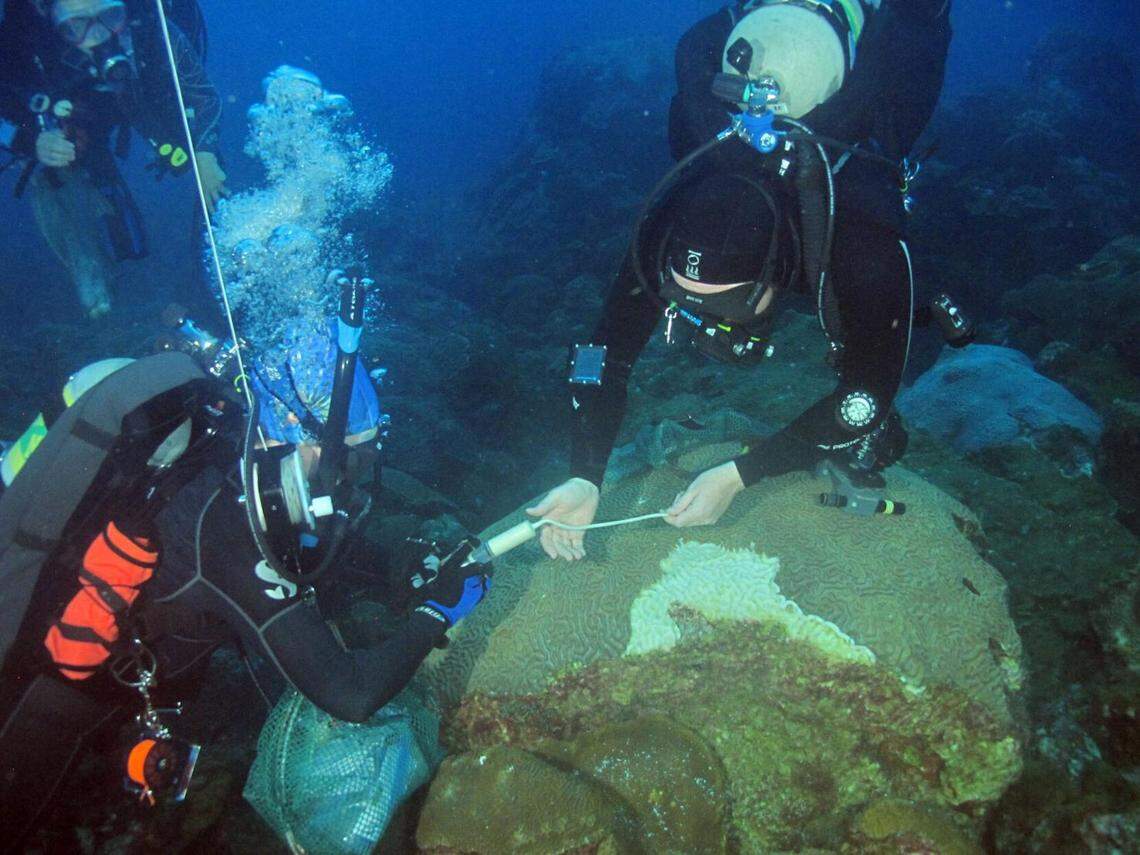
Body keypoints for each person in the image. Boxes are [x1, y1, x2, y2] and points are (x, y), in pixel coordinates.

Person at [0, 320, 490, 847]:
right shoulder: (226, 522)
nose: (352, 480)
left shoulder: (242, 455)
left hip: (123, 694)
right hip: (42, 709)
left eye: (366, 457)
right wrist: (439, 611)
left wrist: (400, 570)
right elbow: (351, 693)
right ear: (294, 435)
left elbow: (310, 563)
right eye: (347, 459)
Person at [529, 0, 956, 560]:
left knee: (914, 37)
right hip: (767, 36)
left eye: (725, 309)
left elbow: (866, 399)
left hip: (880, 49)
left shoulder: (858, 232)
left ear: (778, 277)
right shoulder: (674, 212)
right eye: (679, 300)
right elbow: (596, 354)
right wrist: (585, 474)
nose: (703, 326)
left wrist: (741, 475)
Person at [0, 0, 227, 318]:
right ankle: (95, 285)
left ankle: (220, 277)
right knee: (52, 174)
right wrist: (30, 140)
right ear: (45, 13)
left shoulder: (151, 24)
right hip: (72, 113)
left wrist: (204, 152)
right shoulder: (20, 42)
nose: (97, 36)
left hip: (143, 93)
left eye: (110, 16)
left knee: (203, 158)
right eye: (76, 26)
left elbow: (199, 94)